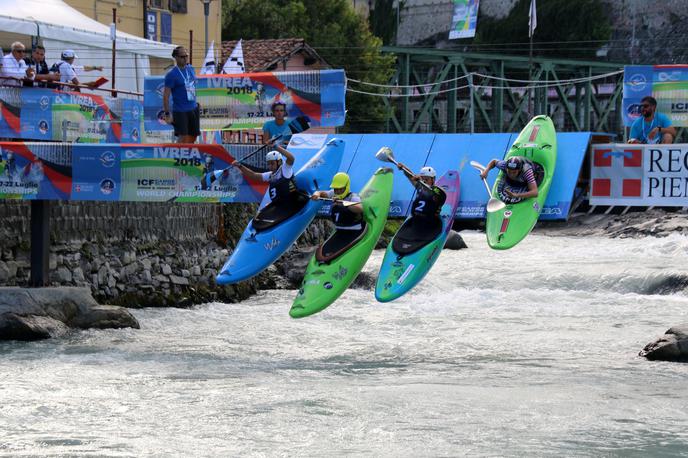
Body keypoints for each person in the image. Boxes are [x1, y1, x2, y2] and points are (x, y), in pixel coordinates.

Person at [234, 144, 307, 231]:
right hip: (279, 205)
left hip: (292, 202)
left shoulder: (285, 170)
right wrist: (240, 166)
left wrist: (276, 146)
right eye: (269, 164)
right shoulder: (270, 175)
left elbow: (291, 158)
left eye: (272, 163)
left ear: (279, 162)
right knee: (258, 218)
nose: (270, 166)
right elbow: (253, 176)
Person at [311, 172, 365, 260]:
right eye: (336, 189)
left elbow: (359, 208)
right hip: (340, 231)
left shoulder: (353, 197)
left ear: (346, 187)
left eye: (341, 189)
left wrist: (342, 203)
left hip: (354, 231)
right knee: (326, 254)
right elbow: (321, 193)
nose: (338, 191)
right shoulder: (334, 193)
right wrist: (317, 194)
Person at [162, 46, 200, 144]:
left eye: (186, 56)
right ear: (176, 57)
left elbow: (192, 86)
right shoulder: (171, 75)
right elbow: (166, 96)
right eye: (182, 56)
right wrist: (167, 113)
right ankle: (177, 156)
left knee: (193, 135)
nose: (185, 58)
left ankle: (187, 156)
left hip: (193, 108)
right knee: (183, 136)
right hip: (180, 110)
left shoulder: (191, 69)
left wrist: (196, 102)